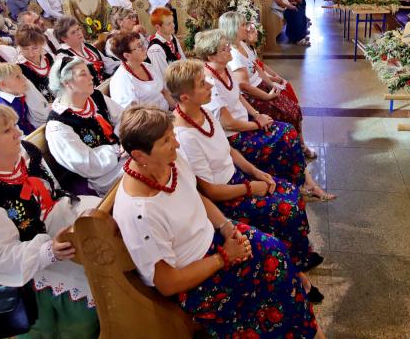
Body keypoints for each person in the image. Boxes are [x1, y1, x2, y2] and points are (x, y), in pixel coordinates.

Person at [113, 106, 322, 338]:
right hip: (196, 279)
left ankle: (306, 327)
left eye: (173, 135)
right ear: (139, 156)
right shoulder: (139, 213)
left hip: (215, 242)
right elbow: (168, 283)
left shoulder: (168, 161)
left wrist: (226, 227)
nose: (177, 144)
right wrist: (223, 258)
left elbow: (196, 196)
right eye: (166, 141)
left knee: (275, 251)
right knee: (270, 284)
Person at [166, 60, 325, 295]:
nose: (210, 85)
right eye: (202, 83)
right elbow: (210, 191)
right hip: (226, 196)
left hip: (238, 178)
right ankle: (293, 272)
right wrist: (251, 188)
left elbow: (229, 150)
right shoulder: (185, 136)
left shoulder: (204, 112)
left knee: (290, 192)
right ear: (185, 97)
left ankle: (298, 258)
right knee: (286, 207)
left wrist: (255, 172)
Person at [0, 105, 100, 337]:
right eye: (7, 130)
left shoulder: (25, 154)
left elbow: (54, 194)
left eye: (15, 126)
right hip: (31, 265)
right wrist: (50, 252)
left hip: (60, 225)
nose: (18, 133)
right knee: (97, 270)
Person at [195, 29, 334, 201]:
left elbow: (238, 95)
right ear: (211, 57)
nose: (229, 49)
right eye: (224, 48)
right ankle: (302, 183)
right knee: (286, 134)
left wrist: (256, 114)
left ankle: (304, 182)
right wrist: (257, 124)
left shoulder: (225, 68)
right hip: (234, 135)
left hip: (245, 122)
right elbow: (228, 123)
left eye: (228, 45)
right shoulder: (210, 82)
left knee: (288, 130)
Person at [220, 11, 316, 158]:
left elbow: (258, 66)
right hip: (254, 96)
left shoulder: (242, 44)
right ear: (233, 29)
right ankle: (298, 147)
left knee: (294, 108)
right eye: (243, 25)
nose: (247, 28)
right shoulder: (233, 55)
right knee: (288, 113)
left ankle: (300, 145)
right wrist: (267, 97)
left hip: (262, 86)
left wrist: (272, 82)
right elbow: (245, 87)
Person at [46, 57, 124, 195]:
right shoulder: (58, 125)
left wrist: (126, 140)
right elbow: (87, 164)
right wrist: (118, 149)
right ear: (67, 83)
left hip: (122, 155)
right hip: (101, 177)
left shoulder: (95, 97)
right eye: (83, 74)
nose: (91, 77)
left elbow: (122, 118)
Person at [109, 31, 174, 111]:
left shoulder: (147, 66)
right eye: (139, 46)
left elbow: (163, 91)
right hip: (152, 118)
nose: (144, 48)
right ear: (127, 55)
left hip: (167, 113)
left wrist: (176, 109)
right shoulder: (120, 81)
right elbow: (133, 114)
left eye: (142, 44)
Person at [54, 16, 115, 86]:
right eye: (73, 32)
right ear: (64, 38)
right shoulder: (63, 57)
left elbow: (109, 64)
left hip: (106, 85)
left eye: (78, 29)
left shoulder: (88, 46)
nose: (78, 33)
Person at [0, 63, 37, 135]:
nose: (24, 79)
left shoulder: (17, 95)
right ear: (3, 84)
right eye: (17, 77)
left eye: (22, 75)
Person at [16, 25, 55, 102]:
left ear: (42, 43)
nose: (31, 54)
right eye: (25, 49)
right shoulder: (19, 68)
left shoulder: (48, 56)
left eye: (35, 48)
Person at [147, 7, 185, 80]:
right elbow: (164, 77)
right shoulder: (156, 49)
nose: (173, 25)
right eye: (168, 24)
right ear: (158, 27)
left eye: (173, 21)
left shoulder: (173, 38)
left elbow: (183, 59)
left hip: (180, 77)